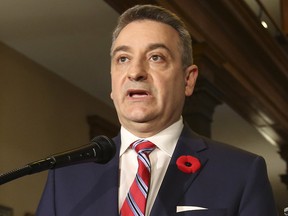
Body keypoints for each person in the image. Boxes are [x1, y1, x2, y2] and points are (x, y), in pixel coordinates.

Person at [36, 4, 278, 216]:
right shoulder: (66, 177)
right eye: (123, 59)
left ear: (188, 80)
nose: (135, 71)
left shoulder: (241, 172)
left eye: (155, 57)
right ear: (112, 80)